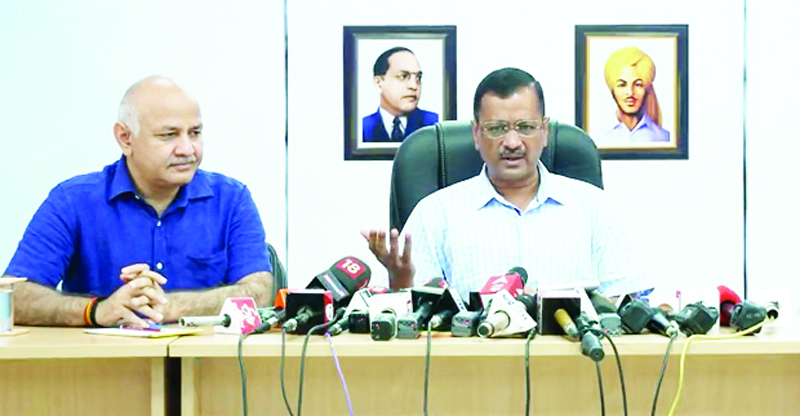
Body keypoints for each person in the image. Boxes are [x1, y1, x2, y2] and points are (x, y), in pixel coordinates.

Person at [3, 76, 274, 327]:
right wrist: (98, 310)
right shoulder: (73, 201)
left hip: (209, 367)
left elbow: (259, 292)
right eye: (169, 135)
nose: (188, 149)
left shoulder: (231, 199)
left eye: (195, 133)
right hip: (102, 370)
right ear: (125, 138)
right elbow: (12, 297)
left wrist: (170, 306)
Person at [362, 68, 650, 300]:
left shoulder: (592, 207)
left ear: (544, 131)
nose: (512, 142)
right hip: (469, 369)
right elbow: (414, 321)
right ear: (476, 134)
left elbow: (629, 301)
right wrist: (399, 282)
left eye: (525, 127)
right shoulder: (436, 213)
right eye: (497, 129)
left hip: (575, 366)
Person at [362, 47, 438, 142]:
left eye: (418, 77)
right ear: (379, 83)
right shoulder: (362, 129)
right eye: (403, 76)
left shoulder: (435, 125)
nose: (414, 86)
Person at [601, 46, 670, 144]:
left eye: (638, 85)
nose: (630, 93)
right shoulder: (600, 137)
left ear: (647, 88)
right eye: (622, 85)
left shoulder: (664, 137)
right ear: (612, 89)